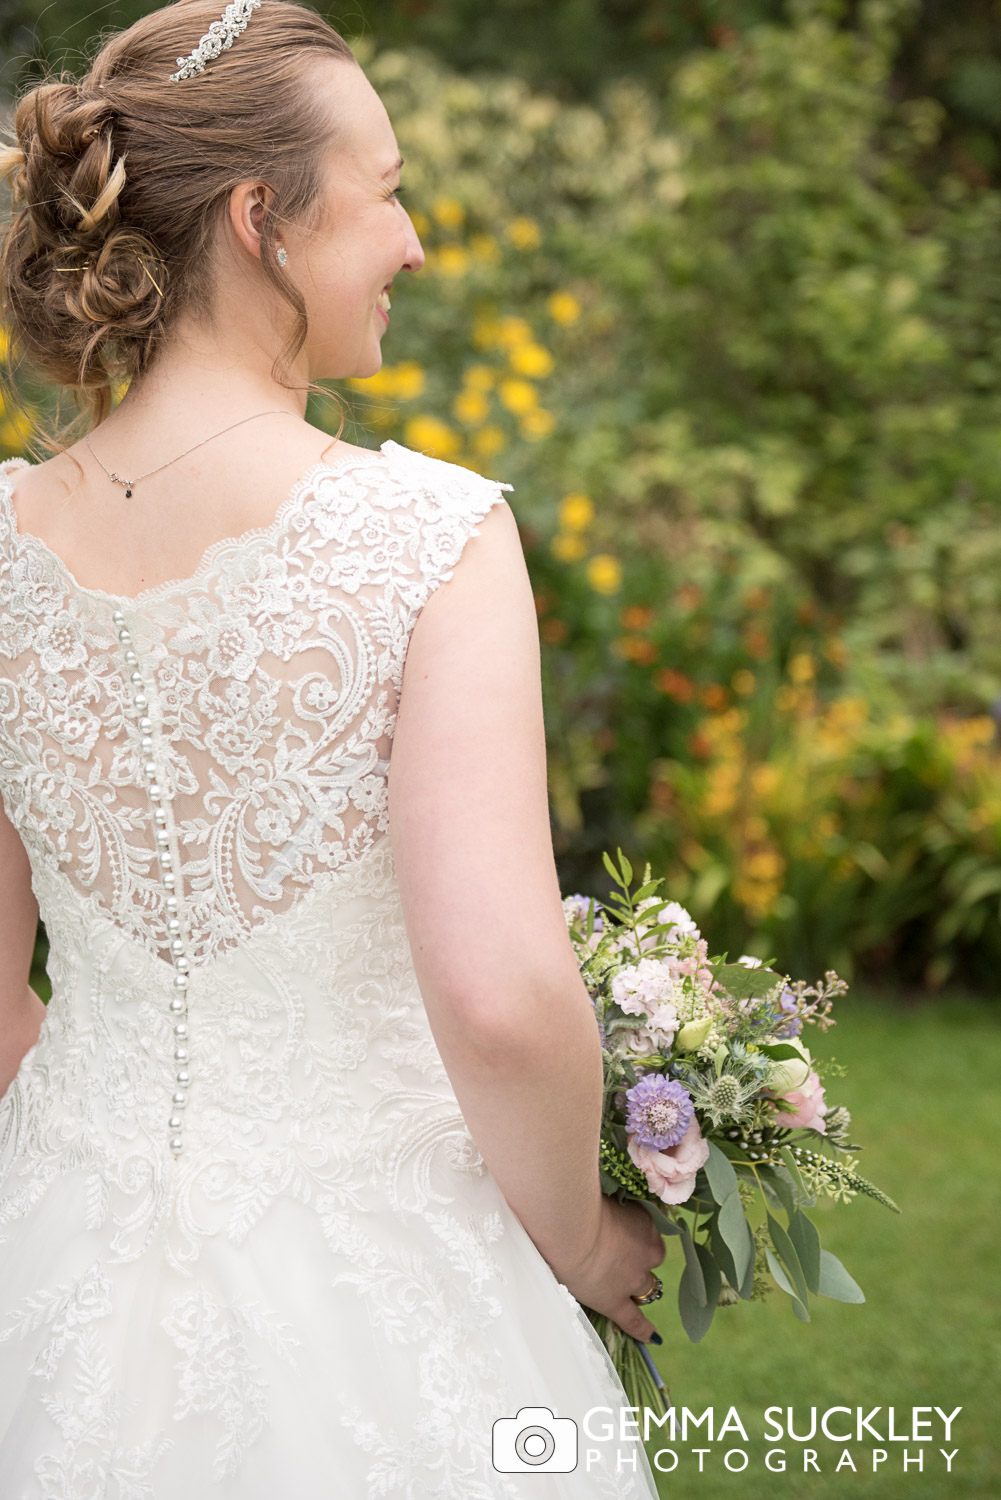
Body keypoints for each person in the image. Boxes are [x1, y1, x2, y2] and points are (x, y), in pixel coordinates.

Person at [0, 1, 666, 1493]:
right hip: (384, 1272)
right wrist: (579, 1237)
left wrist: (87, 1178)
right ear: (261, 219)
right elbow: (497, 995)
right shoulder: (429, 540)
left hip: (47, 1258)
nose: (416, 243)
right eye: (389, 190)